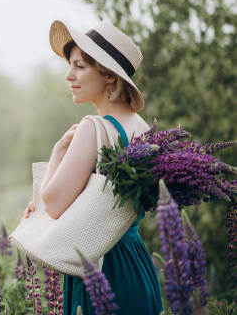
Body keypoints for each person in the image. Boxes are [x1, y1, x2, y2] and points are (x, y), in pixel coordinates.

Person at [21, 20, 164, 314]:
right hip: (136, 265)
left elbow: (53, 204)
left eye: (80, 67)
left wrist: (59, 150)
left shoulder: (92, 128)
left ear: (110, 77)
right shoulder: (141, 127)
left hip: (101, 269)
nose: (68, 75)